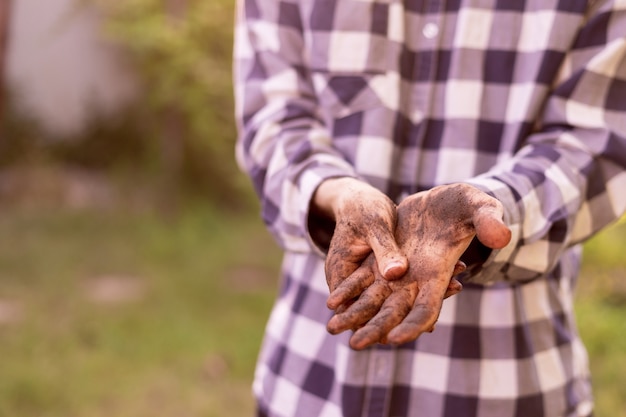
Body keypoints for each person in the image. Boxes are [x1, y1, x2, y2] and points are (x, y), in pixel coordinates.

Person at [233, 0, 626, 416]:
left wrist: (483, 215)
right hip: (310, 386)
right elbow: (276, 115)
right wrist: (333, 194)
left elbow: (595, 143)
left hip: (504, 389)